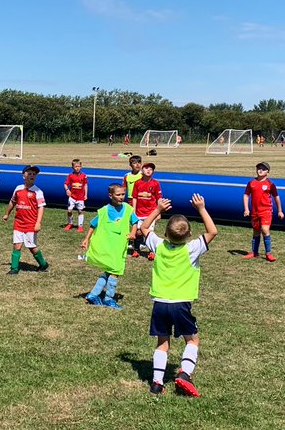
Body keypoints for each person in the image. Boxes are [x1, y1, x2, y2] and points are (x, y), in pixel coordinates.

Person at [138, 193, 217, 397]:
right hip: (181, 304)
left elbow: (144, 228)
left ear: (165, 232)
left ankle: (156, 383)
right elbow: (212, 231)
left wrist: (157, 210)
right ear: (189, 233)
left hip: (160, 303)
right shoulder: (192, 249)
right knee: (192, 341)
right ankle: (184, 373)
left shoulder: (159, 245)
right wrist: (201, 208)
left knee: (162, 343)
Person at [80, 182, 139, 309]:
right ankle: (108, 298)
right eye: (118, 194)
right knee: (115, 271)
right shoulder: (104, 211)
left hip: (119, 246)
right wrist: (86, 239)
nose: (121, 197)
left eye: (123, 194)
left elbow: (135, 222)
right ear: (110, 195)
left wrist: (133, 232)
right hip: (107, 247)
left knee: (109, 271)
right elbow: (93, 225)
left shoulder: (128, 209)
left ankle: (93, 294)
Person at [4, 165, 49, 275]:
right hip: (18, 222)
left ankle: (43, 264)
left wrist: (38, 223)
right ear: (23, 176)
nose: (32, 175)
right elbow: (12, 202)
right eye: (29, 173)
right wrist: (7, 214)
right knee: (17, 245)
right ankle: (14, 268)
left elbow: (41, 207)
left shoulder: (38, 192)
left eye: (34, 174)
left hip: (30, 224)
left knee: (32, 247)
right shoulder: (18, 189)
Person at [242, 161, 284, 261]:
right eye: (259, 168)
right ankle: (254, 252)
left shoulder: (270, 184)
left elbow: (276, 197)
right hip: (254, 212)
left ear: (267, 172)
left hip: (266, 211)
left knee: (265, 230)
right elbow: (246, 195)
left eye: (263, 169)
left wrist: (280, 211)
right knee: (256, 231)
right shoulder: (251, 183)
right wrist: (247, 209)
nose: (260, 170)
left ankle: (268, 253)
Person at [130, 162, 163, 259]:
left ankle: (151, 251)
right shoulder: (137, 183)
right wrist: (133, 210)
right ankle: (136, 249)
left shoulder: (155, 183)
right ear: (142, 171)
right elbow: (134, 197)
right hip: (139, 213)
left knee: (149, 232)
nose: (149, 170)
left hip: (151, 213)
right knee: (138, 232)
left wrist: (159, 212)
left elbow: (159, 198)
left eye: (151, 169)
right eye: (146, 168)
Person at [63, 159, 89, 232]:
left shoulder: (84, 176)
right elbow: (65, 184)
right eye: (75, 166)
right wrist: (67, 190)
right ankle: (70, 223)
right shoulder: (70, 175)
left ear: (81, 167)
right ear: (72, 167)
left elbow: (85, 185)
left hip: (80, 197)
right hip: (72, 197)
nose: (77, 168)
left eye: (79, 166)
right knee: (69, 210)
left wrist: (86, 194)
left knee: (80, 211)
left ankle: (80, 226)